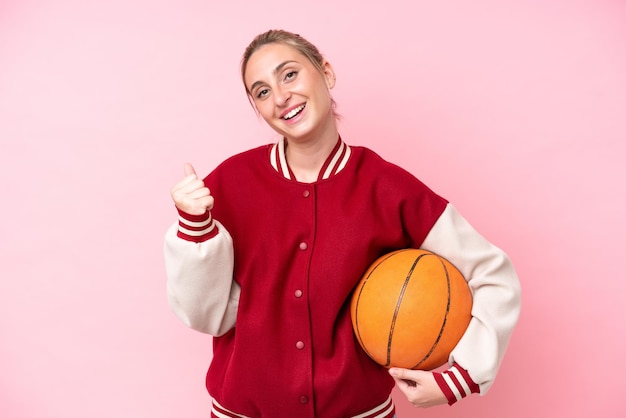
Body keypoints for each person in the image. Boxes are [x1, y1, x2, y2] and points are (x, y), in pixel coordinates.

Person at [164, 29, 521, 418]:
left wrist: (461, 376)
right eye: (262, 92)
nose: (281, 97)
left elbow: (491, 272)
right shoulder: (229, 184)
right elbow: (205, 316)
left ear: (327, 73)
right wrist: (194, 228)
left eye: (289, 74)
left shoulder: (388, 187)